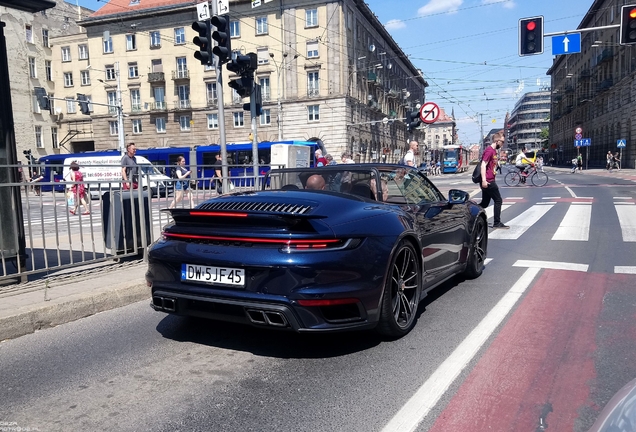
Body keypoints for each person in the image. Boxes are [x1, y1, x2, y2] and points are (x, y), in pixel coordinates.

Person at [479, 133, 508, 229]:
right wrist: (484, 180)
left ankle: (470, 214)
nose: (503, 144)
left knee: (484, 203)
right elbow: (483, 164)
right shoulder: (489, 151)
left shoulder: (494, 151)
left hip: (489, 179)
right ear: (497, 141)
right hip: (488, 181)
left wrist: (497, 164)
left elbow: (491, 164)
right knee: (498, 200)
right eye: (502, 142)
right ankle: (497, 222)